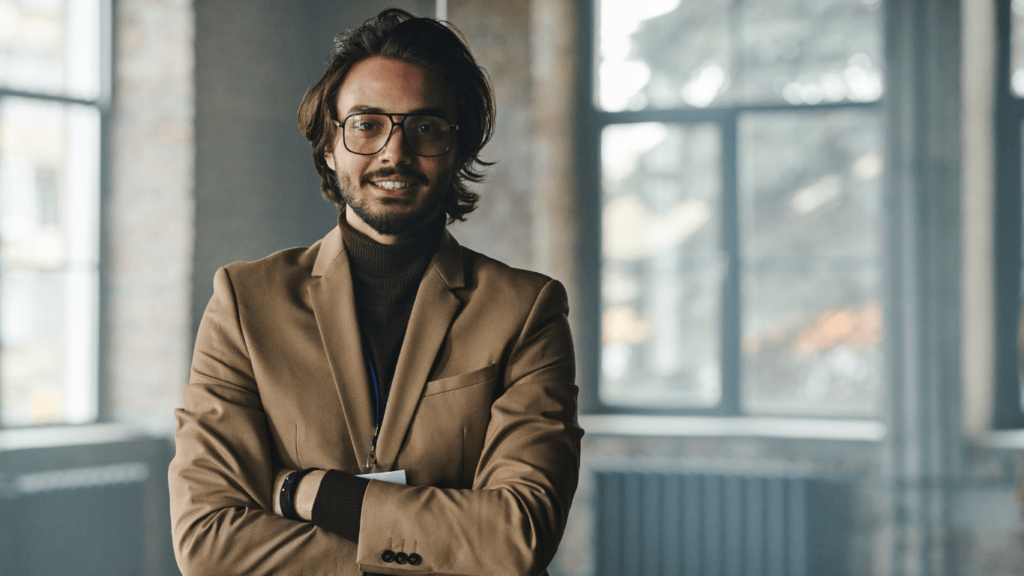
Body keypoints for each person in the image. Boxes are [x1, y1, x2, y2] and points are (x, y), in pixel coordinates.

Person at [168, 8, 582, 576]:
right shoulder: (244, 301)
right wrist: (440, 550)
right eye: (366, 123)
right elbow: (209, 544)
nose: (394, 152)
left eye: (425, 127)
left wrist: (311, 494)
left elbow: (517, 537)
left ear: (458, 150)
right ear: (329, 146)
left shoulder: (526, 311)